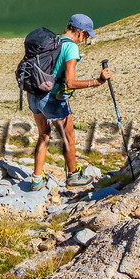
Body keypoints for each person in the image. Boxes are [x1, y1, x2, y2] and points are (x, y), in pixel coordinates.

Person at [27, 13, 111, 190]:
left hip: (33, 94)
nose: (84, 40)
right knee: (68, 137)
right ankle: (73, 176)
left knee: (44, 135)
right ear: (80, 32)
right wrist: (98, 81)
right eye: (86, 36)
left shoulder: (54, 40)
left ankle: (36, 179)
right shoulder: (71, 47)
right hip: (51, 99)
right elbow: (71, 83)